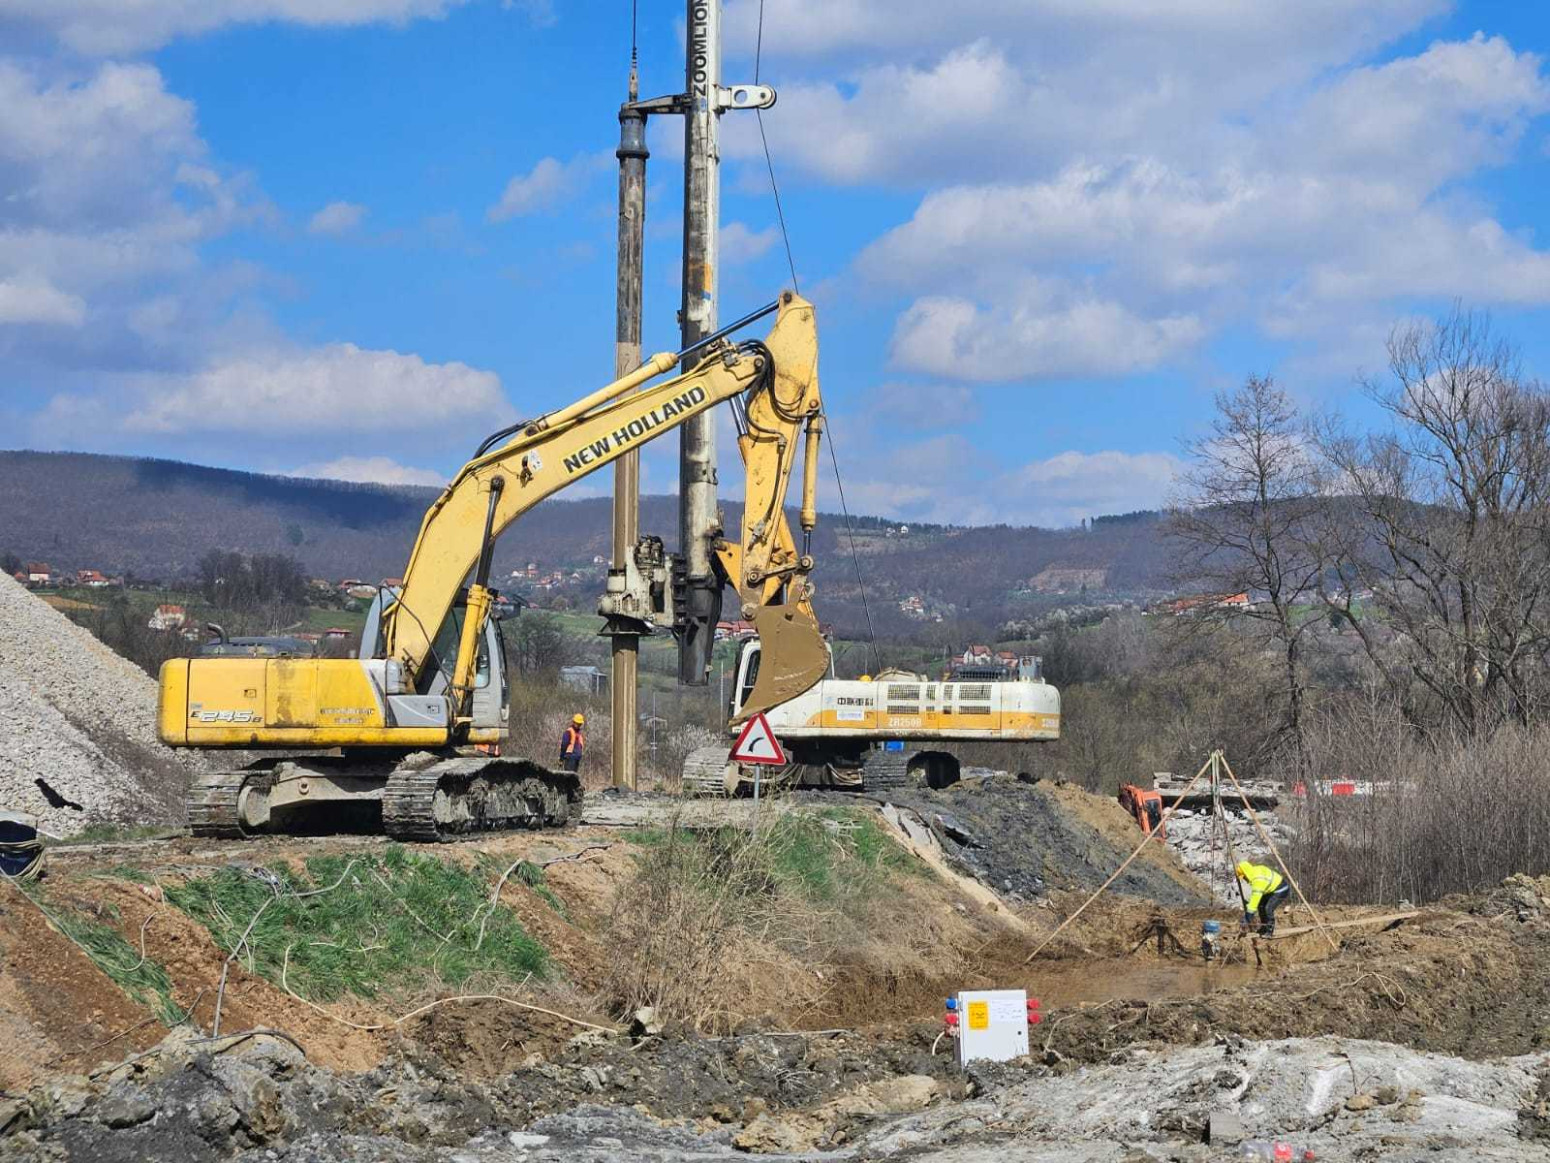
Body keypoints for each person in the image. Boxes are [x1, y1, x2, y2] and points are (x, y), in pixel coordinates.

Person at [1235, 859, 1291, 936]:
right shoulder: (1254, 871)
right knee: (1261, 906)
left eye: (1244, 877)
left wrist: (1247, 918)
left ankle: (1269, 930)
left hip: (1281, 889)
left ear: (1246, 873)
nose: (1245, 879)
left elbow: (1253, 903)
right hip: (1271, 889)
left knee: (1268, 908)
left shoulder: (1257, 881)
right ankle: (1264, 927)